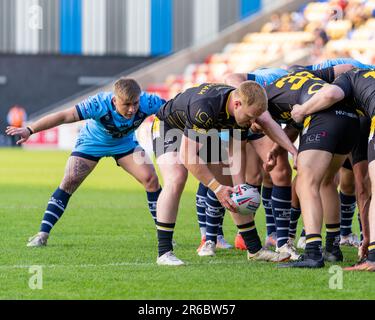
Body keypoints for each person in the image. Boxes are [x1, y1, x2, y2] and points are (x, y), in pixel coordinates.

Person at [6, 78, 165, 247]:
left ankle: (165, 234)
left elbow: (177, 107)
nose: (132, 109)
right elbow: (64, 116)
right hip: (92, 142)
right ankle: (42, 234)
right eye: (126, 104)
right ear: (114, 100)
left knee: (151, 179)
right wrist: (30, 129)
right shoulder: (98, 104)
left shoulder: (148, 102)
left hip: (124, 143)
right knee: (69, 181)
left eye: (135, 103)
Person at [152, 81, 298, 266]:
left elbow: (236, 152)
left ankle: (254, 249)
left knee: (231, 187)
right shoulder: (205, 107)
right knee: (177, 178)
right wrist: (217, 188)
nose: (253, 123)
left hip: (204, 130)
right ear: (237, 104)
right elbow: (187, 156)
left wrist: (239, 188)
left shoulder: (242, 113)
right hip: (169, 126)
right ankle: (164, 252)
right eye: (251, 117)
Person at [290, 68, 375, 271]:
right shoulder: (367, 81)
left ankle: (372, 257)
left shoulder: (347, 78)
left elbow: (330, 94)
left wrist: (302, 110)